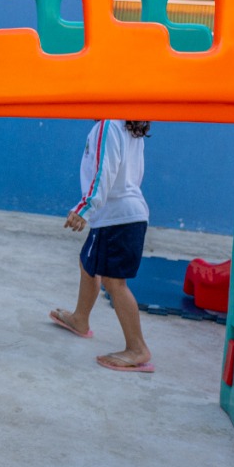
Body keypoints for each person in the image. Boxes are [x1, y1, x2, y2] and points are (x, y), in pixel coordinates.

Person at [50, 120, 154, 373]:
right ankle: (80, 319)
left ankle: (137, 348)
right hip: (123, 214)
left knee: (114, 282)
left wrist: (84, 209)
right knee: (87, 262)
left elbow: (103, 171)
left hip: (117, 216)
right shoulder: (129, 125)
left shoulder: (108, 124)